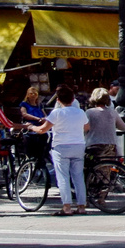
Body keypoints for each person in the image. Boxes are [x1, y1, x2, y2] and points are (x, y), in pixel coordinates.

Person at [44, 86, 89, 215]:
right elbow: (86, 127)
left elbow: (43, 129)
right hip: (78, 145)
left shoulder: (56, 113)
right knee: (78, 176)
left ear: (58, 100)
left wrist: (31, 127)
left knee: (63, 177)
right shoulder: (80, 112)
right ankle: (81, 206)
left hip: (61, 146)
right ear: (73, 99)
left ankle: (67, 207)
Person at [83, 88, 119, 160]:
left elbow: (85, 128)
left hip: (93, 144)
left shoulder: (89, 112)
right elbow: (123, 127)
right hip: (110, 145)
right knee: (107, 167)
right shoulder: (113, 112)